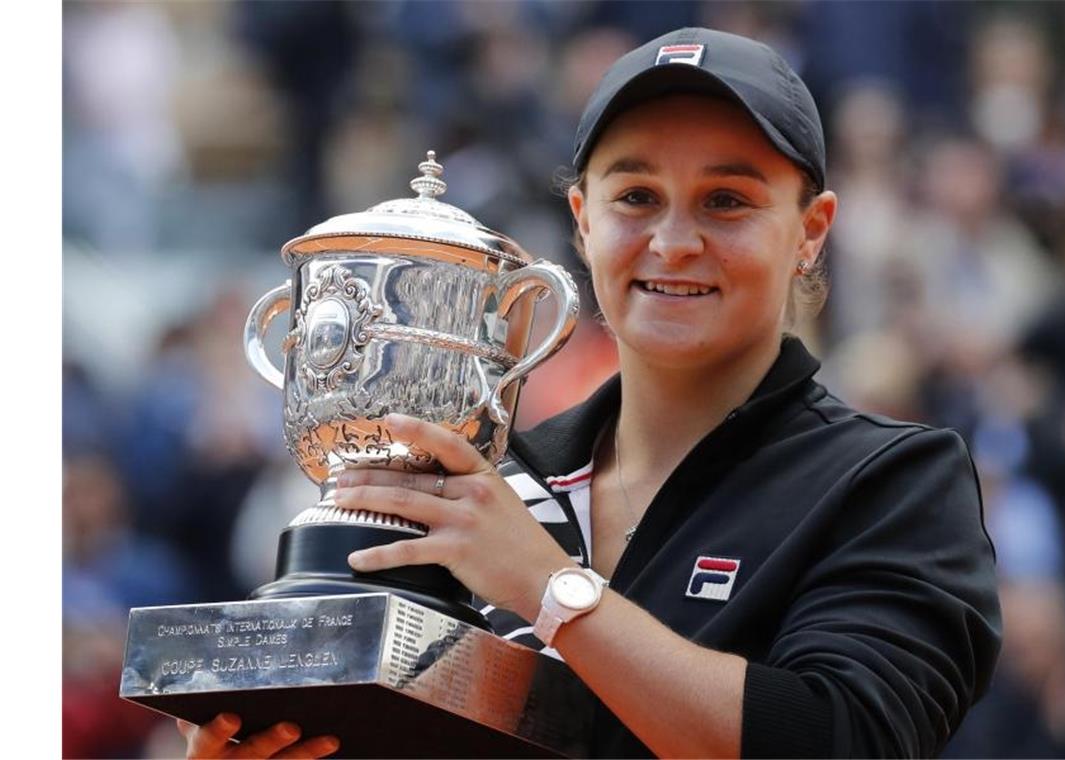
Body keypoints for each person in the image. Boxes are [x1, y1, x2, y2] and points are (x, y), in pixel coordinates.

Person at [182, 27, 1001, 758]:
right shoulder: (485, 496)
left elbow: (846, 740)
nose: (675, 242)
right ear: (582, 220)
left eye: (728, 201)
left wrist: (554, 593)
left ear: (811, 231)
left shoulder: (893, 481)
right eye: (636, 197)